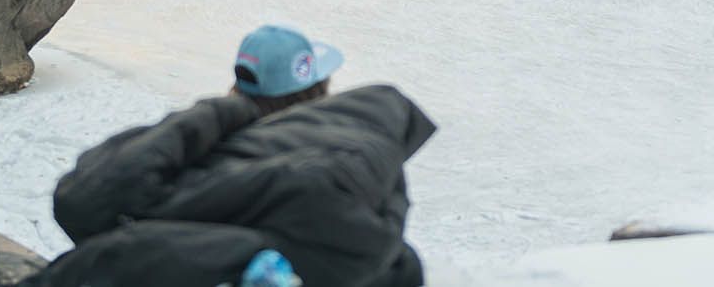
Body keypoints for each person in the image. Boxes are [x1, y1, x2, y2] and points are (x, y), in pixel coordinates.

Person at [41, 24, 435, 287]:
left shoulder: (198, 151)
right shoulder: (344, 168)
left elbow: (83, 200)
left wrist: (214, 114)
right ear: (320, 89)